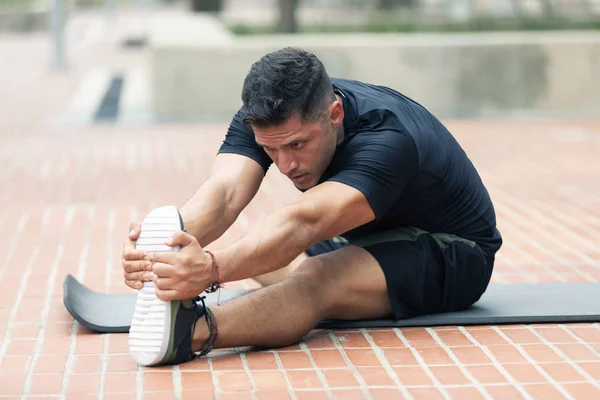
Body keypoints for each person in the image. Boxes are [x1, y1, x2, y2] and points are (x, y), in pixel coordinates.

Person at [122, 47, 502, 366]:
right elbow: (224, 193)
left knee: (315, 276)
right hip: (372, 238)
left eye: (298, 145)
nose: (286, 164)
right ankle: (231, 291)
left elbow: (304, 222)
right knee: (261, 252)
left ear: (334, 114)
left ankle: (188, 334)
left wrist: (210, 270)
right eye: (271, 149)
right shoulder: (270, 119)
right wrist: (166, 247)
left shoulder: (387, 137)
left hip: (455, 251)